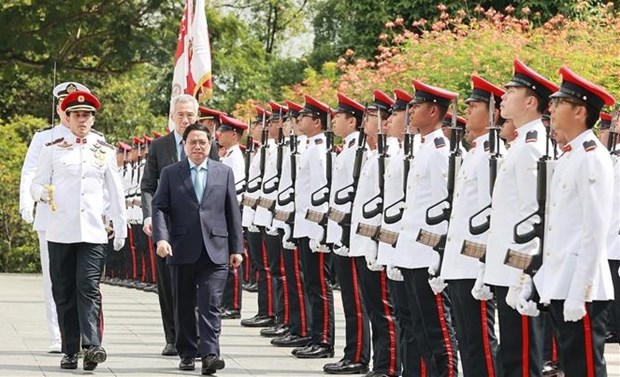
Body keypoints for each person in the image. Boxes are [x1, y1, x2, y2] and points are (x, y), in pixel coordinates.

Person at [31, 90, 127, 371]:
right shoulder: (52, 148)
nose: (82, 120)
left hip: (93, 233)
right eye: (77, 115)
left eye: (87, 115)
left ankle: (93, 345)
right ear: (68, 118)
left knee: (88, 287)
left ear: (93, 119)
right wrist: (42, 195)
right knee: (64, 291)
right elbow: (36, 183)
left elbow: (115, 191)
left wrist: (119, 226)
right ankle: (70, 349)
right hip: (60, 231)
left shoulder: (104, 151)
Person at [535, 66, 615, 376]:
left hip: (582, 289)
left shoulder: (592, 157)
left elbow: (594, 232)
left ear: (580, 111)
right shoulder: (569, 156)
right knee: (571, 367)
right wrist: (541, 283)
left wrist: (580, 292)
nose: (551, 109)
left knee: (585, 370)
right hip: (562, 284)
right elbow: (558, 230)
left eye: (559, 103)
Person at [480, 59, 558, 376]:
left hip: (519, 272)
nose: (503, 95)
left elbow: (534, 218)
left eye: (511, 90)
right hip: (506, 268)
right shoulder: (519, 144)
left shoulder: (531, 146)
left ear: (530, 101)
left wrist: (524, 280)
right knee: (511, 355)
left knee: (522, 359)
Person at [151, 122, 243, 375]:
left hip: (216, 248)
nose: (198, 146)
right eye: (193, 142)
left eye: (203, 141)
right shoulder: (171, 173)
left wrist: (237, 248)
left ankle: (211, 354)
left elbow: (232, 210)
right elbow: (159, 207)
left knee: (211, 303)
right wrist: (162, 238)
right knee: (183, 304)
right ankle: (188, 352)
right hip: (181, 247)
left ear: (210, 143)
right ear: (184, 145)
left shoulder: (223, 172)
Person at [392, 79, 459, 376]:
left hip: (426, 256)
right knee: (418, 327)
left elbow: (444, 209)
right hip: (411, 253)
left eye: (416, 106)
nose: (411, 111)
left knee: (437, 331)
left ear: (434, 111)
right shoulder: (424, 148)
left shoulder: (440, 152)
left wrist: (438, 259)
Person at [19, 81, 92, 353]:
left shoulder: (92, 137)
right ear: (60, 108)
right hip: (51, 217)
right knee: (55, 277)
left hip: (83, 219)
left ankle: (87, 333)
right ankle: (59, 334)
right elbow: (29, 172)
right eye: (64, 104)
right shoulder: (43, 138)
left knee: (84, 279)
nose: (67, 109)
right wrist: (27, 202)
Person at [440, 75, 506, 376]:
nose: (467, 111)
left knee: (480, 343)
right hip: (459, 264)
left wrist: (483, 269)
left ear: (493, 112)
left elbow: (491, 218)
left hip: (473, 265)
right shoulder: (476, 153)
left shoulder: (493, 155)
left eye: (475, 105)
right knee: (467, 341)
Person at [141, 93, 200, 356]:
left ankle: (196, 336)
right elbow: (148, 186)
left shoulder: (206, 144)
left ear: (197, 117)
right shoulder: (159, 146)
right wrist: (149, 216)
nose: (185, 119)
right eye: (180, 114)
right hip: (166, 225)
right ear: (172, 117)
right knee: (167, 283)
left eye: (190, 115)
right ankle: (173, 337)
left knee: (197, 283)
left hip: (197, 227)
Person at [323, 92, 370, 374]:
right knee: (350, 301)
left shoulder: (358, 151)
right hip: (340, 233)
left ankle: (358, 356)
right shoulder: (347, 150)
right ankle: (350, 352)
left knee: (356, 300)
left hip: (350, 235)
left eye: (339, 117)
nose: (334, 121)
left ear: (352, 121)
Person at [291, 94, 335, 359]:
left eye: (303, 116)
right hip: (304, 227)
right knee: (311, 284)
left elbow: (321, 194)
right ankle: (314, 335)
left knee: (319, 286)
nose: (298, 120)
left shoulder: (319, 151)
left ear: (317, 122)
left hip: (314, 229)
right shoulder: (311, 147)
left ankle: (324, 340)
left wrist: (320, 232)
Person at [217, 114, 248, 319]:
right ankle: (226, 302)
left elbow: (235, 190)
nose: (219, 134)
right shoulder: (227, 155)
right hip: (224, 212)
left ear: (234, 135)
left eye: (224, 131)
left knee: (233, 258)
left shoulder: (235, 157)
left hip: (230, 212)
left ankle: (233, 305)